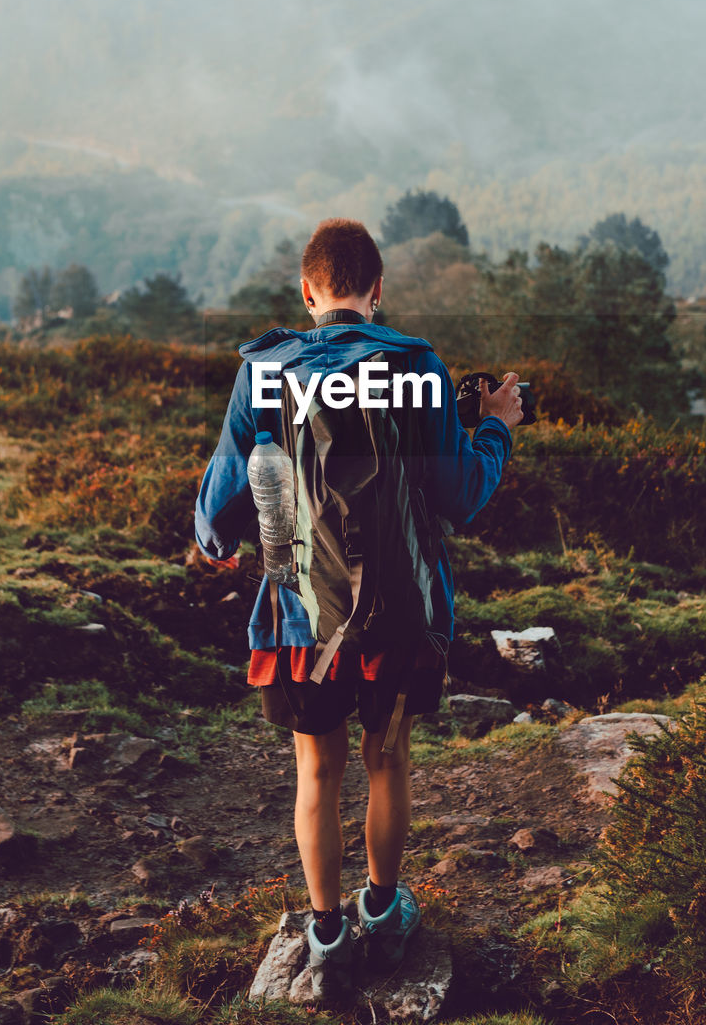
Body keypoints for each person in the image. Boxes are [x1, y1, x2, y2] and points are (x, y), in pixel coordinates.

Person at [194, 218, 522, 1001]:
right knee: (387, 760)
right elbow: (460, 496)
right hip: (398, 619)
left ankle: (327, 930)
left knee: (316, 769)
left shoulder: (265, 371)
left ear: (307, 292)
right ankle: (383, 909)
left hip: (301, 619)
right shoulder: (415, 368)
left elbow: (219, 506)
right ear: (377, 292)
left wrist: (218, 543)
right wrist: (497, 429)